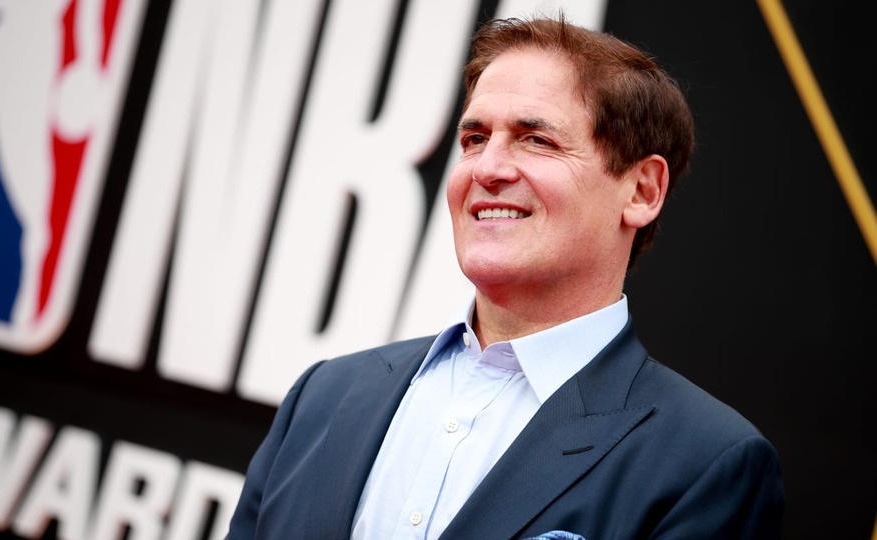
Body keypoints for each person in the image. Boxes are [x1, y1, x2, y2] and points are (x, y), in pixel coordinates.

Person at [226, 13, 785, 540]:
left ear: (641, 191)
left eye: (536, 139)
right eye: (474, 139)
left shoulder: (705, 464)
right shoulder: (324, 395)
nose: (487, 169)